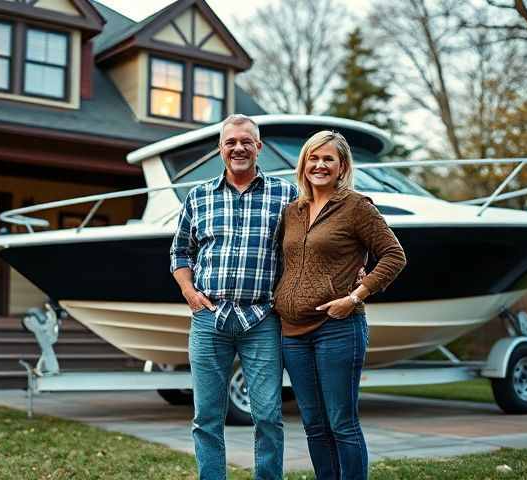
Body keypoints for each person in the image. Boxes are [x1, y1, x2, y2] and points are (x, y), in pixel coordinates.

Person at [169, 114, 297, 480]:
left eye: (246, 141)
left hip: (262, 319)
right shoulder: (198, 197)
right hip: (210, 319)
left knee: (269, 415)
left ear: (258, 147)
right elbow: (180, 253)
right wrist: (190, 293)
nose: (238, 147)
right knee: (207, 416)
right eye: (230, 142)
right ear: (220, 149)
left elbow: (307, 249)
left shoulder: (285, 195)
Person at [274, 130, 406, 480]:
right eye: (313, 158)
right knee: (314, 424)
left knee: (341, 423)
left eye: (327, 159)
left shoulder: (356, 207)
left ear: (342, 165)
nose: (319, 165)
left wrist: (355, 296)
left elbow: (394, 256)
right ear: (303, 164)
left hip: (338, 329)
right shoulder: (293, 211)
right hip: (292, 334)